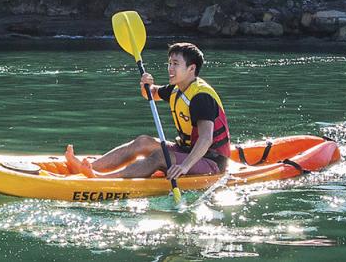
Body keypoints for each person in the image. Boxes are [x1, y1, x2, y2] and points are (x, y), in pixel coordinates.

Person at [65, 42, 231, 179]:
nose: (170, 68)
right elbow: (150, 93)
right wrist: (145, 84)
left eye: (175, 64)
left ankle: (102, 178)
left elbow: (206, 139)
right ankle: (87, 168)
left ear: (191, 69)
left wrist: (184, 166)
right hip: (186, 150)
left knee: (159, 156)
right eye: (169, 63)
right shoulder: (176, 89)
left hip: (210, 160)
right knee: (143, 141)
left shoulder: (201, 97)